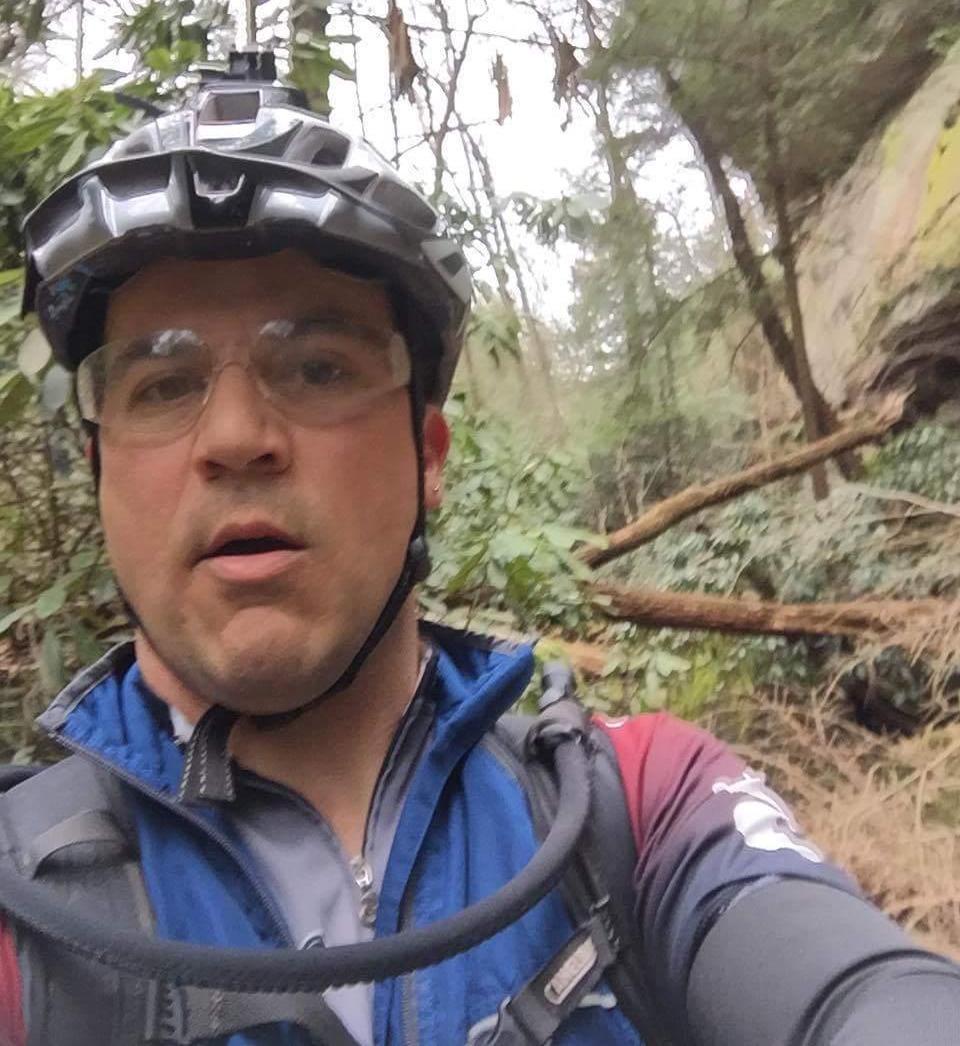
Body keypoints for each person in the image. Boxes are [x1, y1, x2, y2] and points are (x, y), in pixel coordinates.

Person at [0, 51, 958, 1046]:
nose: (236, 434)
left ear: (427, 456)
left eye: (318, 365)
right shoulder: (26, 900)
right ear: (99, 464)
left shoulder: (630, 806)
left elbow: (857, 988)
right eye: (161, 383)